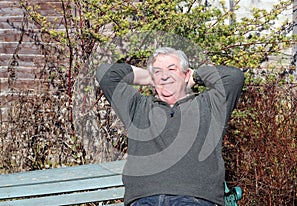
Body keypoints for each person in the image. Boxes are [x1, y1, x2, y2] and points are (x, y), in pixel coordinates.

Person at [96, 47, 244, 206]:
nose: (165, 76)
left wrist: (195, 76)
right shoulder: (138, 107)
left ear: (186, 74)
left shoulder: (209, 105)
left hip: (194, 198)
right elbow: (106, 74)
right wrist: (148, 77)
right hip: (144, 199)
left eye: (172, 69)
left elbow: (233, 77)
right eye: (158, 71)